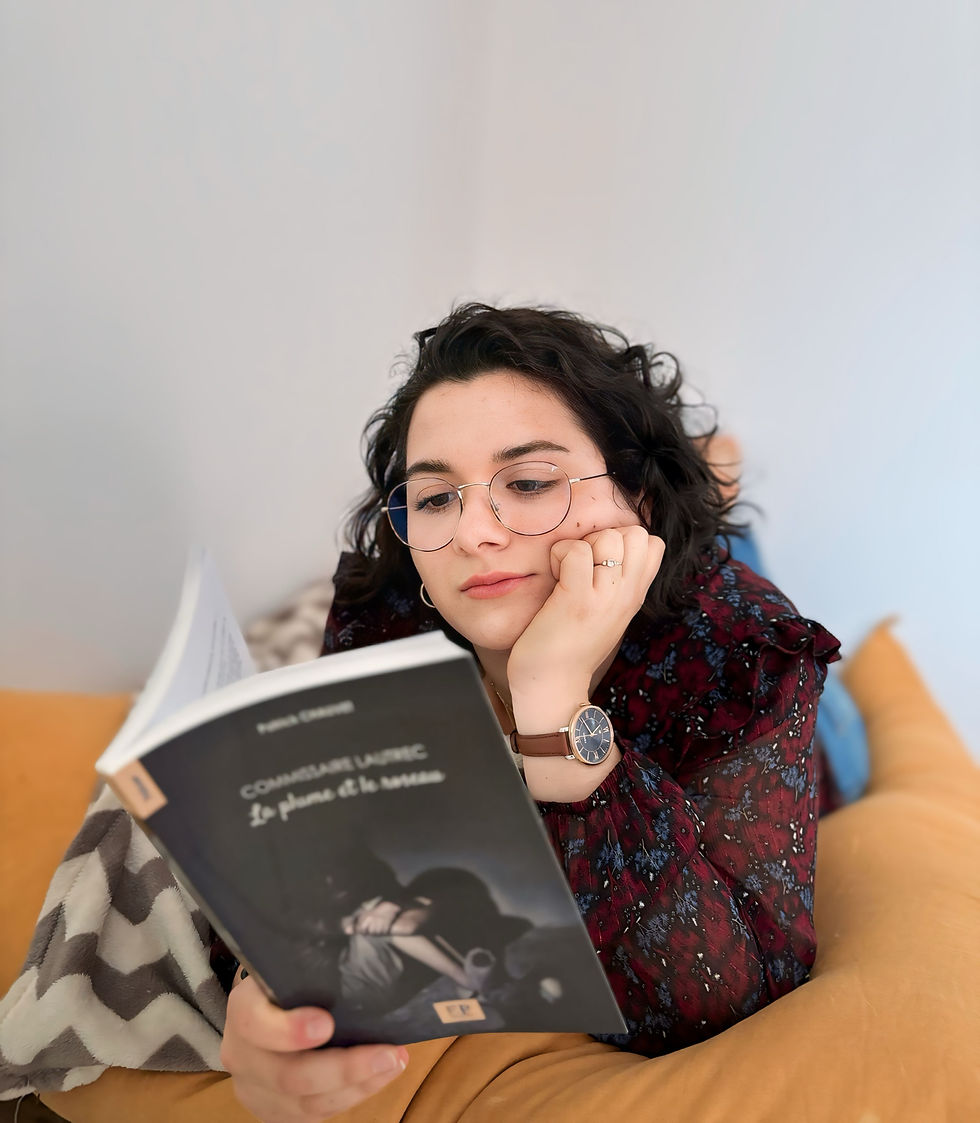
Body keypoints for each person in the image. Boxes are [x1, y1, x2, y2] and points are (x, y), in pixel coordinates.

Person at [221, 303, 845, 1122]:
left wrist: (551, 691)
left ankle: (708, 475)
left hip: (763, 711)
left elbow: (715, 997)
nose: (473, 534)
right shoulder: (388, 611)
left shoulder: (745, 646)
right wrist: (264, 994)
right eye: (434, 497)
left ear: (635, 494)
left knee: (754, 583)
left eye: (528, 483)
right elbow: (328, 851)